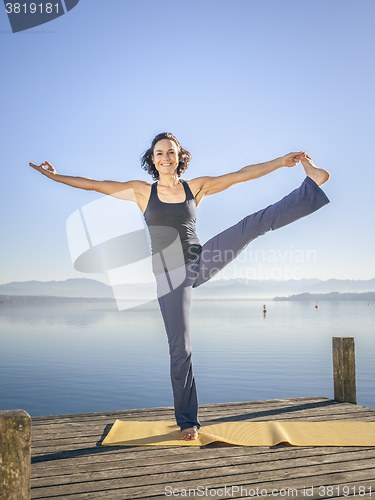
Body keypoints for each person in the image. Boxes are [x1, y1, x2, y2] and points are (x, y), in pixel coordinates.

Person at [29, 132, 330, 440]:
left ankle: (312, 185)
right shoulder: (141, 191)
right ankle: (188, 421)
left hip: (200, 260)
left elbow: (241, 175)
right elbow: (93, 184)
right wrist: (54, 177)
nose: (165, 157)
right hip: (169, 274)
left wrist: (281, 162)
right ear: (152, 158)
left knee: (252, 224)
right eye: (159, 153)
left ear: (178, 156)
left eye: (170, 152)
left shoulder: (195, 187)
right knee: (180, 348)